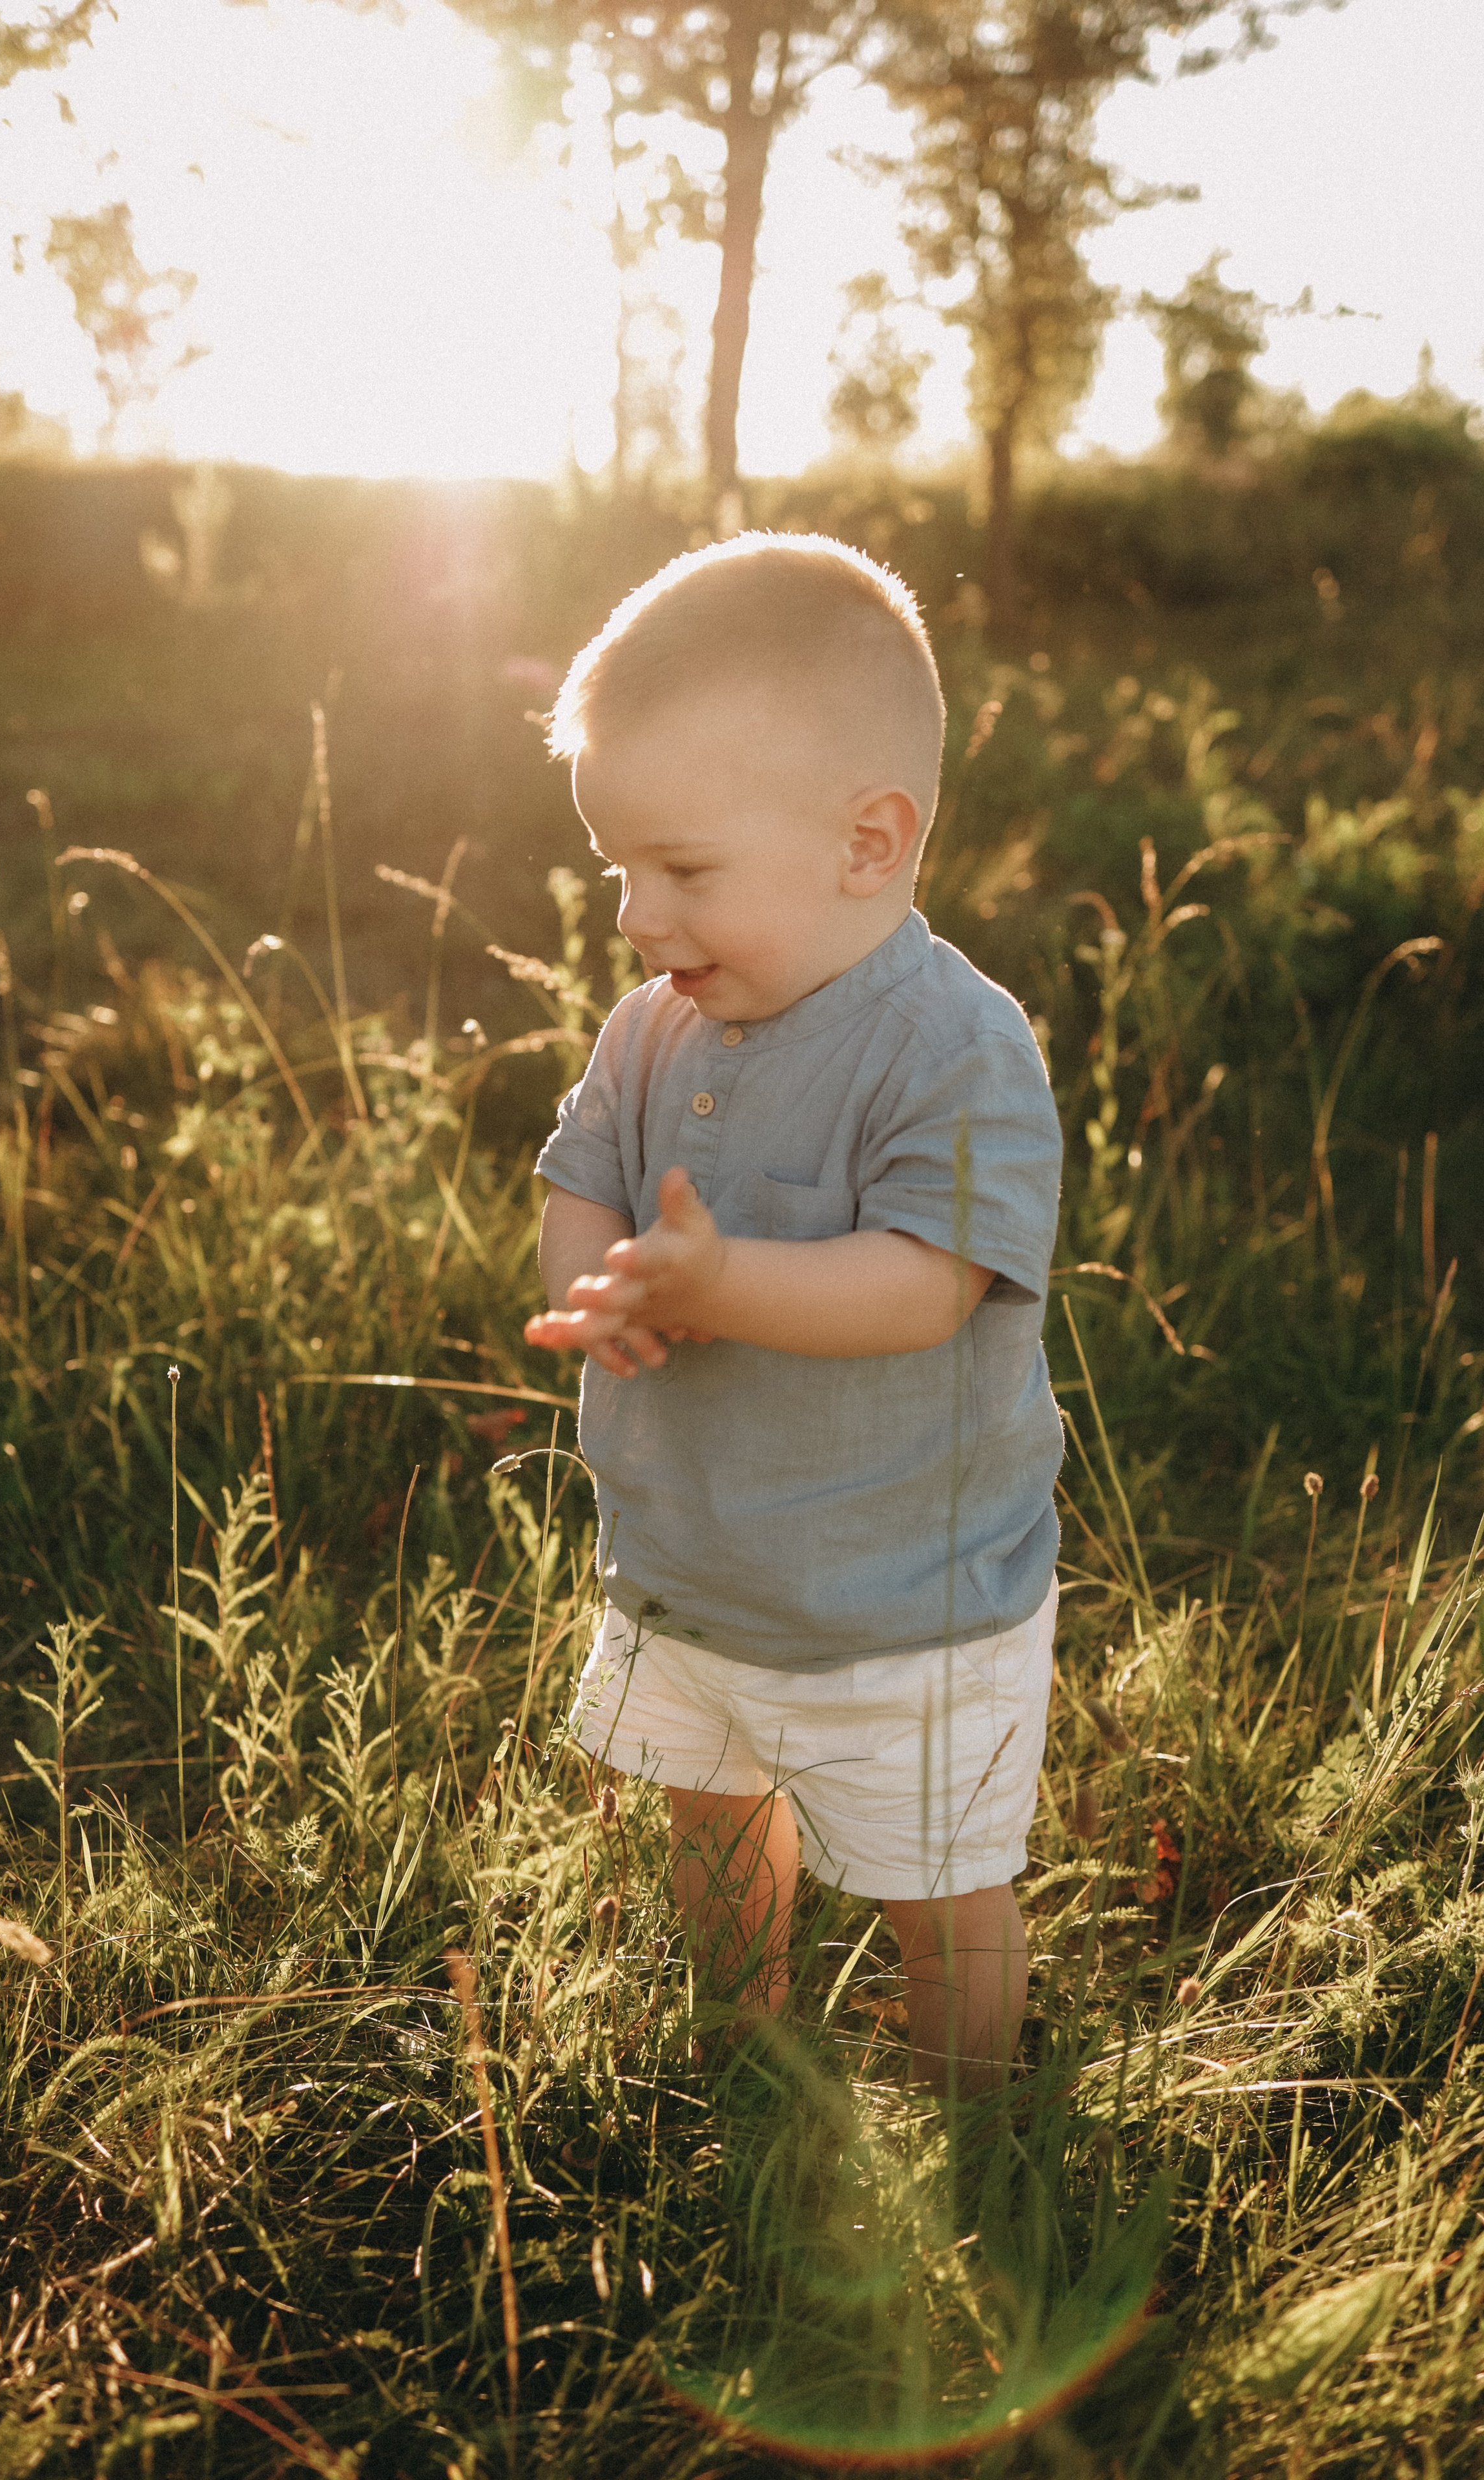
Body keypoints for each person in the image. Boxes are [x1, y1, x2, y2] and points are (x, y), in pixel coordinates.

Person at [522, 533, 1063, 2101]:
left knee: (937, 1885)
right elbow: (579, 1182)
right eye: (618, 868)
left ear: (867, 842)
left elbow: (924, 1282)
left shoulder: (949, 1051)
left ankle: (973, 2112)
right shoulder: (650, 1027)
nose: (635, 914)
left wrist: (720, 1285)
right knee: (710, 1817)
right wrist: (596, 1286)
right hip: (691, 1560)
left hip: (900, 1597)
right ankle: (742, 2044)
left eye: (680, 870)